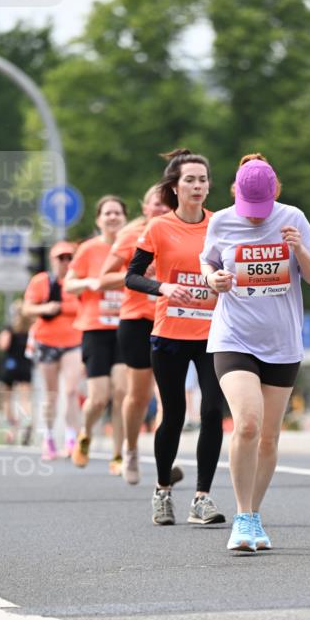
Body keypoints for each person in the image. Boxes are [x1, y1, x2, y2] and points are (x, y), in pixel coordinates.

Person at [200, 154, 310, 552]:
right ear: (236, 193)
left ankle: (253, 516)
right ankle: (241, 517)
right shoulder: (221, 221)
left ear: (274, 193)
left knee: (269, 439)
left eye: (261, 210)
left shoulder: (294, 218)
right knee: (249, 424)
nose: (254, 219)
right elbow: (207, 262)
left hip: (282, 344)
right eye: (248, 210)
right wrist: (214, 279)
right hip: (233, 337)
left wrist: (299, 249)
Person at [125, 149, 225, 526]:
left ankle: (202, 498)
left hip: (213, 334)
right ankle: (163, 489)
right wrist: (163, 288)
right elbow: (131, 276)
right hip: (169, 332)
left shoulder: (220, 224)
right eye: (190, 180)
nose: (198, 186)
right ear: (175, 186)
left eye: (203, 179)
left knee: (213, 411)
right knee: (174, 414)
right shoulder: (159, 228)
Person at [98, 185, 172, 484]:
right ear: (145, 208)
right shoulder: (131, 235)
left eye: (168, 205)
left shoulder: (182, 231)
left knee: (170, 397)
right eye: (157, 204)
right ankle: (130, 450)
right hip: (137, 320)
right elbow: (104, 279)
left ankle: (164, 459)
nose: (163, 209)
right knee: (138, 396)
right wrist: (141, 274)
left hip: (172, 320)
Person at [64, 196, 128, 473]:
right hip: (95, 328)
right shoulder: (89, 250)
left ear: (125, 218)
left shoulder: (133, 246)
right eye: (107, 213)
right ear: (98, 219)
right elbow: (68, 285)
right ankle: (86, 433)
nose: (112, 217)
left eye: (117, 213)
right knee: (99, 398)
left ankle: (118, 455)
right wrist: (89, 282)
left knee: (122, 391)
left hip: (126, 326)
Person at [22, 240, 83, 459]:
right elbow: (27, 308)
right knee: (51, 394)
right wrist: (45, 307)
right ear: (53, 259)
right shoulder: (40, 281)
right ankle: (47, 437)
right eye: (61, 258)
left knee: (71, 391)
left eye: (69, 258)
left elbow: (84, 307)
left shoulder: (77, 282)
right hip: (46, 342)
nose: (66, 262)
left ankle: (71, 438)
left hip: (73, 341)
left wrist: (62, 308)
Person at [0, 299, 33, 444]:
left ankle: (10, 431)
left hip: (10, 366)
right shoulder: (30, 329)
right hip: (26, 366)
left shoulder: (9, 328)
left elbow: (2, 345)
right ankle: (27, 422)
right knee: (25, 399)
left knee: (7, 400)